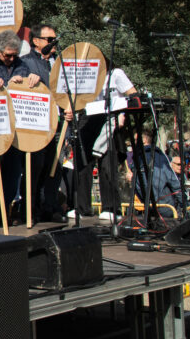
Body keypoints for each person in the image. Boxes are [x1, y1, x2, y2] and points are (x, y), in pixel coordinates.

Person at [0, 29, 38, 224]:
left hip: (16, 130)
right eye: (8, 55)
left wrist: (32, 80)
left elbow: (33, 89)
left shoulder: (21, 65)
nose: (11, 59)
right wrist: (4, 84)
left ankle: (2, 213)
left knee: (12, 175)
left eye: (15, 55)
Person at [69, 62, 137, 224]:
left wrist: (123, 113)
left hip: (110, 117)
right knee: (83, 163)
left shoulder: (116, 74)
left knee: (107, 165)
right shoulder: (85, 75)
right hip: (88, 117)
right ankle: (82, 207)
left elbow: (133, 94)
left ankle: (111, 207)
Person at [20, 23, 69, 222]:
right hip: (36, 126)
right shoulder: (25, 63)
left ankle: (51, 206)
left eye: (55, 40)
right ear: (36, 41)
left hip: (58, 124)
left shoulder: (60, 63)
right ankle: (30, 209)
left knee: (54, 166)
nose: (54, 43)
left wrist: (70, 106)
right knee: (35, 167)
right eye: (50, 40)